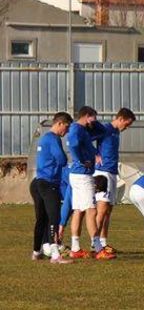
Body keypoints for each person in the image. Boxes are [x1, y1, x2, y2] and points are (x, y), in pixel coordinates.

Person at [31, 112, 74, 264]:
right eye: (67, 127)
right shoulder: (54, 139)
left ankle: (37, 252)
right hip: (49, 183)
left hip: (37, 182)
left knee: (41, 219)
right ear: (60, 123)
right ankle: (55, 255)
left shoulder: (44, 138)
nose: (67, 131)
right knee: (53, 217)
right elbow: (62, 159)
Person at [93, 108, 136, 257]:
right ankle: (95, 244)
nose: (127, 128)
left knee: (108, 210)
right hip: (102, 172)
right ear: (121, 119)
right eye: (127, 124)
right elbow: (83, 140)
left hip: (112, 172)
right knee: (102, 209)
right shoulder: (104, 128)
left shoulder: (116, 132)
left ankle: (104, 242)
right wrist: (94, 154)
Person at [66, 106, 107, 259]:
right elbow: (74, 145)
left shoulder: (82, 129)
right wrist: (82, 161)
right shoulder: (77, 129)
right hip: (83, 175)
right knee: (91, 210)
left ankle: (75, 248)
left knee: (79, 210)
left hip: (77, 175)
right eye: (94, 118)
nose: (95, 121)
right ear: (87, 115)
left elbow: (101, 131)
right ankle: (98, 248)